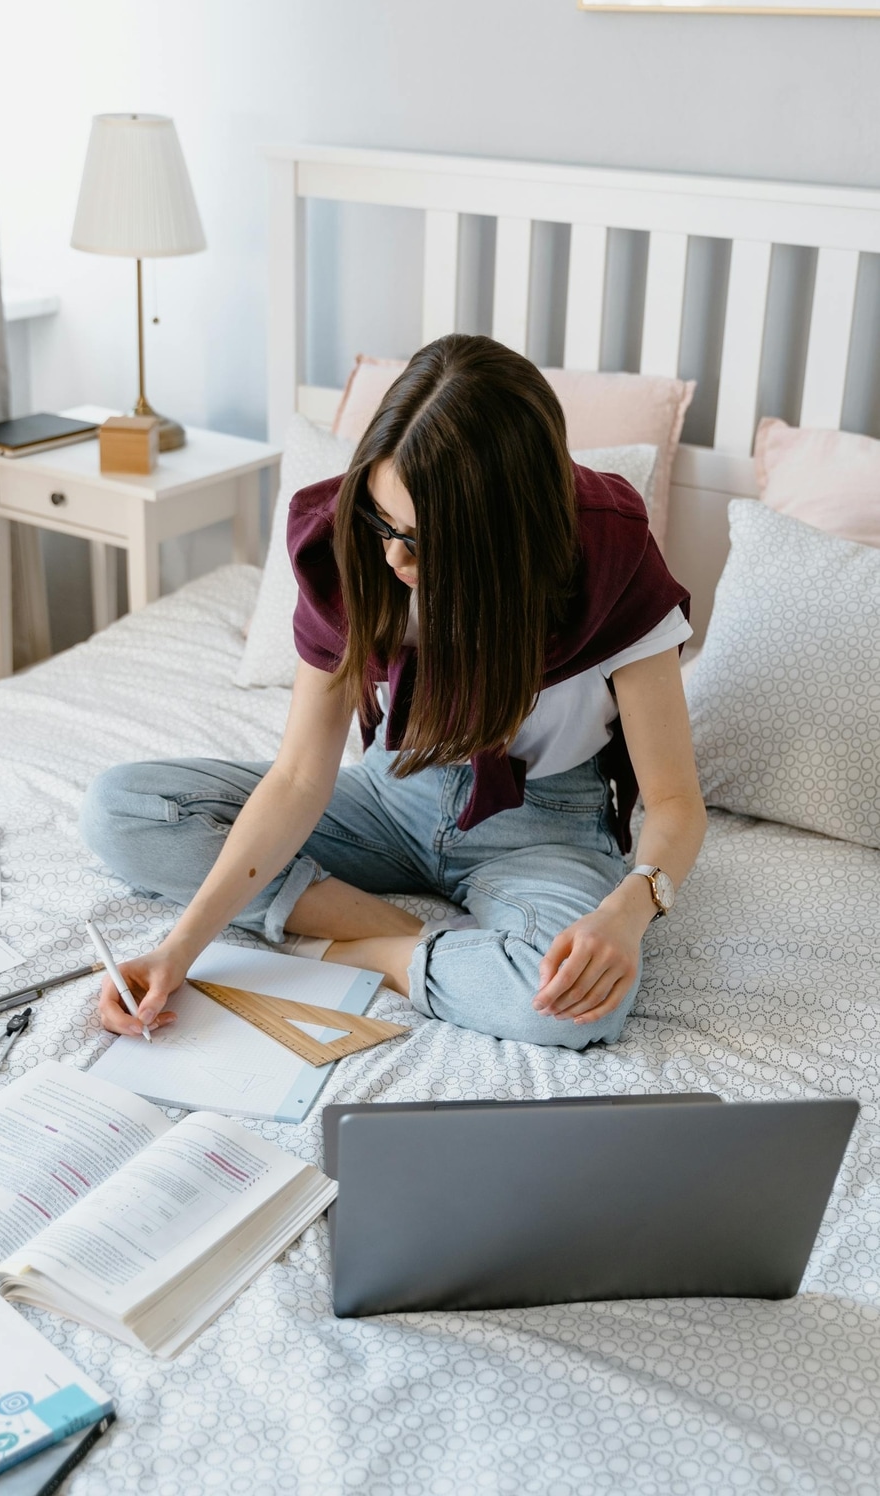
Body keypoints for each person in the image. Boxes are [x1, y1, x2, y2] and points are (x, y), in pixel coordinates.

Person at [81, 335, 706, 1050]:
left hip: (544, 829)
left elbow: (677, 801)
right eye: (385, 523)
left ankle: (375, 953)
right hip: (390, 794)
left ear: (506, 535)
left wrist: (628, 911)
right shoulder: (345, 543)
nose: (393, 558)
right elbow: (297, 776)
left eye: (424, 539)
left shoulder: (610, 558)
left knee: (564, 1004)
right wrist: (179, 949)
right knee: (120, 810)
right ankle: (394, 932)